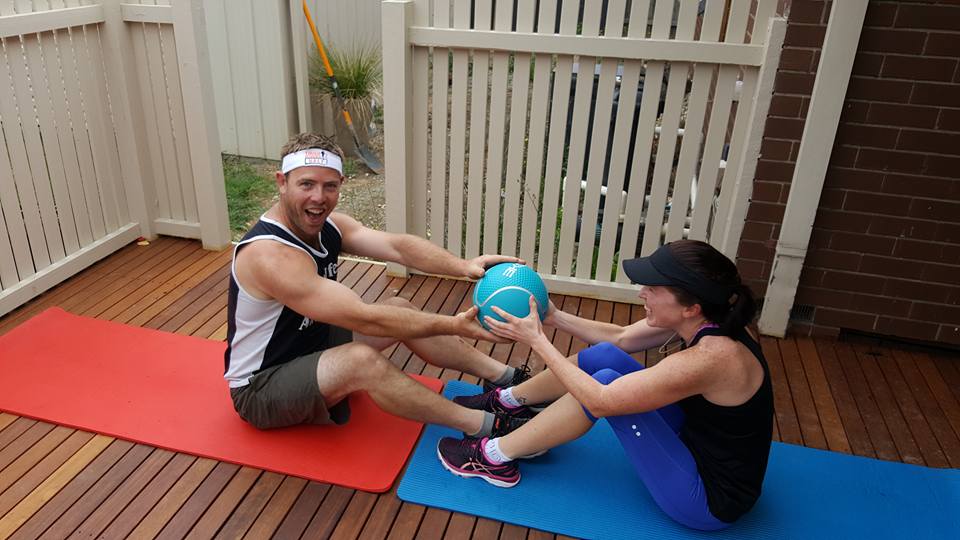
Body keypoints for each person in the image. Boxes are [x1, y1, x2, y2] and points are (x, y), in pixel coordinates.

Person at [437, 240, 773, 531]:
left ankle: (493, 458)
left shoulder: (713, 358)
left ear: (691, 307)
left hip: (708, 499)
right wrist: (553, 317)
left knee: (605, 385)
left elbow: (600, 401)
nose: (642, 292)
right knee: (604, 357)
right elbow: (621, 337)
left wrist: (538, 341)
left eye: (653, 289)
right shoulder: (711, 318)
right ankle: (507, 401)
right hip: (693, 437)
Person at [224, 133, 532, 439]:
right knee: (363, 361)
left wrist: (464, 266)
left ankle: (505, 379)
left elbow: (398, 247)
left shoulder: (329, 226)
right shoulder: (270, 256)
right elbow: (364, 318)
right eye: (306, 184)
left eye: (329, 185)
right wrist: (454, 325)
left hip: (312, 346)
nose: (319, 197)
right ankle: (486, 427)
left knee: (396, 308)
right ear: (282, 182)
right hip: (261, 387)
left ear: (341, 184)